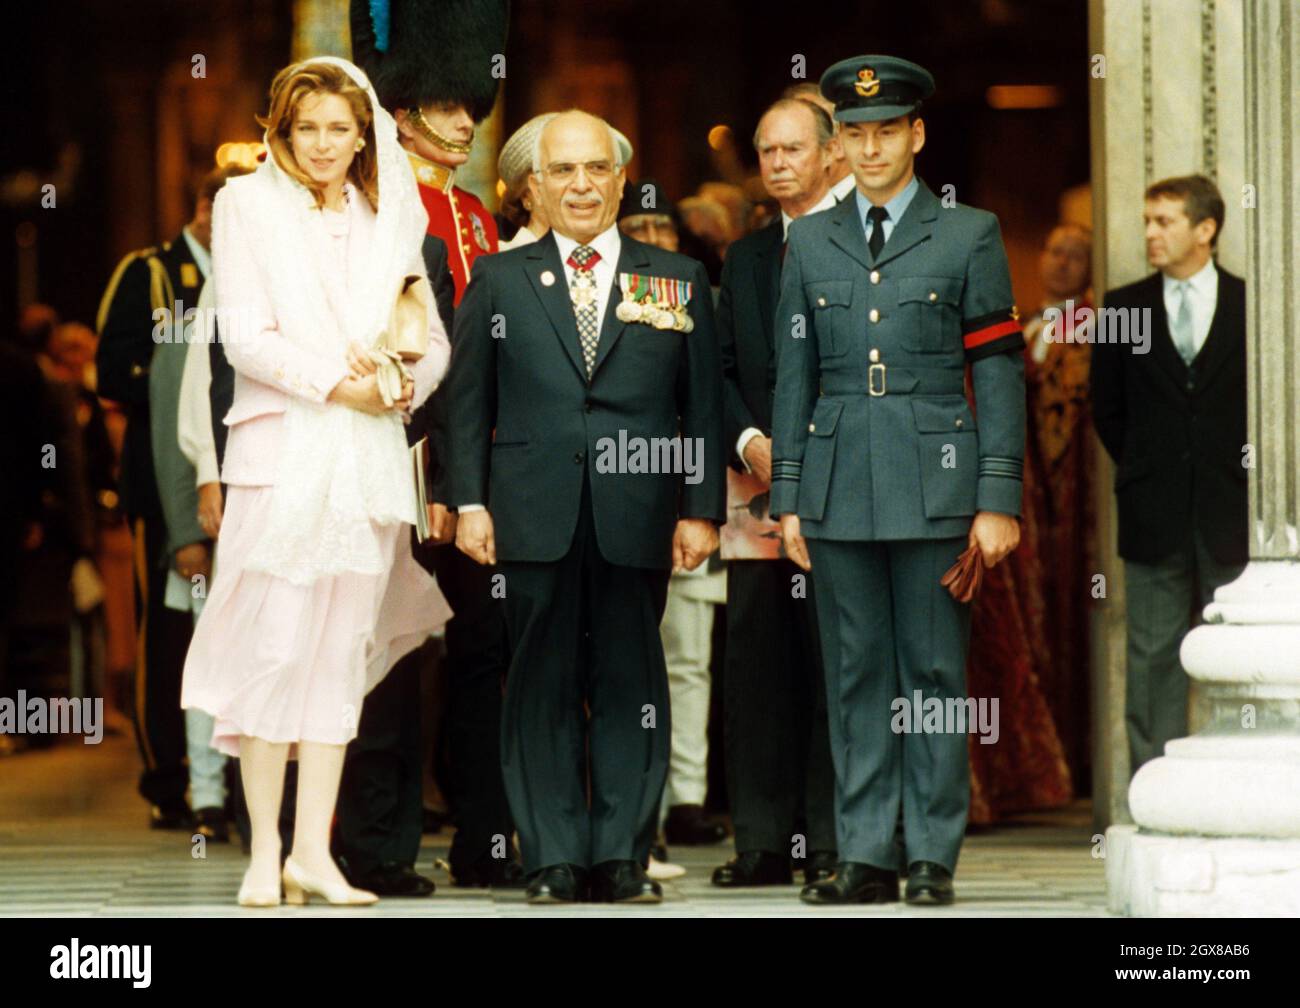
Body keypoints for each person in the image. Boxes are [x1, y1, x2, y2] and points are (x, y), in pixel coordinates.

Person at [180, 57, 452, 907]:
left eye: (342, 128)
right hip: (283, 453)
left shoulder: (385, 214)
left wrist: (404, 383)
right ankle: (263, 853)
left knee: (338, 657)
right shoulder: (245, 205)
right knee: (274, 647)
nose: (327, 144)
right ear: (281, 132)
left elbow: (429, 334)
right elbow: (245, 342)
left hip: (367, 462)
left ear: (363, 132)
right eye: (309, 129)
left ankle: (313, 855)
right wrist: (346, 386)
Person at [445, 109, 725, 904]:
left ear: (620, 179)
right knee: (539, 687)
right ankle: (554, 857)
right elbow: (468, 402)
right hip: (531, 512)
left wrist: (700, 508)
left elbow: (700, 405)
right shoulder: (499, 278)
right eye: (563, 171)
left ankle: (622, 858)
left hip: (639, 511)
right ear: (533, 187)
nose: (580, 185)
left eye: (596, 169)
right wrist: (467, 501)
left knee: (635, 686)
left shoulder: (676, 279)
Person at [771, 56, 1026, 906]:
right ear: (838, 143)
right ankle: (867, 854)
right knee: (856, 675)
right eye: (856, 133)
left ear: (917, 134)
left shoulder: (969, 233)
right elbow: (793, 378)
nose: (871, 148)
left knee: (934, 678)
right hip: (840, 484)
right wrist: (789, 499)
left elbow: (995, 371)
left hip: (937, 483)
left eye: (888, 131)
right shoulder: (808, 239)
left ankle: (931, 855)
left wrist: (996, 497)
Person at [349, 0, 521, 891]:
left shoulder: (474, 215)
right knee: (391, 652)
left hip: (470, 466)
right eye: (447, 104)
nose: (465, 120)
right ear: (404, 105)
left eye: (470, 104)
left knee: (485, 646)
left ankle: (484, 835)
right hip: (396, 459)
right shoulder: (373, 206)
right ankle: (375, 843)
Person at [712, 97, 838, 889]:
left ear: (832, 154)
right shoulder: (748, 258)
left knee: (834, 662)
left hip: (843, 490)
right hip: (756, 495)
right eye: (767, 151)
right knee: (756, 664)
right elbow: (720, 369)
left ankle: (829, 839)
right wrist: (747, 440)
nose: (779, 162)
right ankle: (760, 838)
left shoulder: (867, 245)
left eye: (794, 148)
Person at [1090, 174, 1247, 777]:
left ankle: (1234, 786)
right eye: (1148, 221)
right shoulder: (1119, 308)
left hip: (1231, 511)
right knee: (1151, 656)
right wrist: (1143, 467)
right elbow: (1105, 409)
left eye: (1165, 222)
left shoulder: (1247, 304)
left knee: (1235, 655)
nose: (1151, 234)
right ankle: (1152, 793)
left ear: (1205, 229)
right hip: (1152, 512)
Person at [617, 180, 730, 853]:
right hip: (619, 495)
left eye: (664, 229)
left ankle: (685, 795)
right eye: (641, 226)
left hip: (681, 492)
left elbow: (706, 404)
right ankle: (633, 802)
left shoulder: (694, 295)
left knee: (688, 659)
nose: (654, 240)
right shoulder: (598, 293)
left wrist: (699, 503)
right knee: (624, 658)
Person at [96, 175, 210, 829]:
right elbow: (113, 369)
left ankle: (222, 776)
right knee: (166, 630)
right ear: (196, 208)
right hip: (160, 475)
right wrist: (179, 385)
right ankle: (169, 777)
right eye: (213, 205)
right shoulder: (151, 272)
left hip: (238, 475)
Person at [783, 82, 856, 203]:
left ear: (838, 145)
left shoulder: (875, 208)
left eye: (795, 147)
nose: (779, 162)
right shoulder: (782, 217)